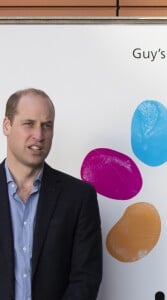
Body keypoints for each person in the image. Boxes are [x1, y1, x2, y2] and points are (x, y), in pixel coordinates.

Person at [0, 88, 102, 299]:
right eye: (29, 124)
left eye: (47, 126)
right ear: (7, 126)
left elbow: (86, 279)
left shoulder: (79, 197)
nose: (39, 135)